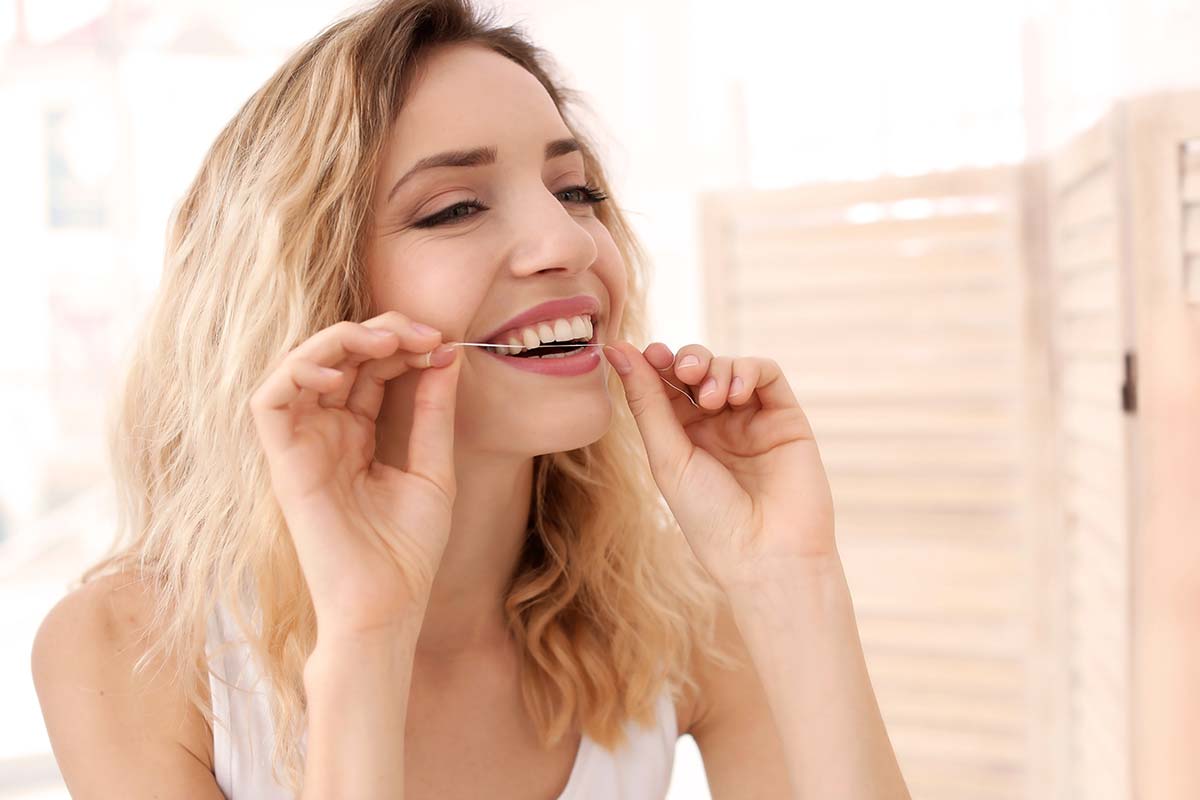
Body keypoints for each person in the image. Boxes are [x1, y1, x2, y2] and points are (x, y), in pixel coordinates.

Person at [31, 1, 909, 798]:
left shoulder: (680, 614)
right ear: (314, 293)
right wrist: (367, 636)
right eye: (454, 208)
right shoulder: (125, 651)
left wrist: (792, 580)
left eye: (576, 191)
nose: (566, 241)